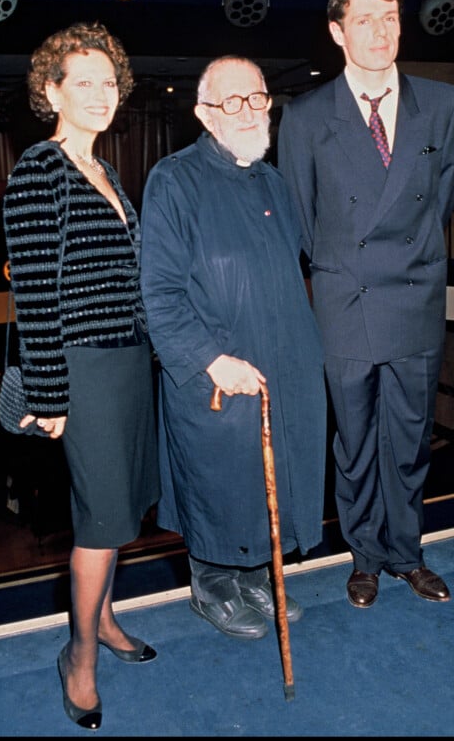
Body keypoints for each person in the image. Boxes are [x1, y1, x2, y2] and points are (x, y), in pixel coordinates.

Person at [277, 0, 454, 609]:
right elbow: (302, 220)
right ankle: (364, 557)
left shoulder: (440, 103)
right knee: (354, 443)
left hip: (415, 295)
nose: (380, 32)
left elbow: (439, 201)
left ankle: (407, 554)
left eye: (389, 18)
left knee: (410, 440)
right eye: (364, 19)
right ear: (337, 31)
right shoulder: (304, 117)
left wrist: (409, 259)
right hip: (345, 300)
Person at [2, 22, 160, 730]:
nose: (101, 94)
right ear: (51, 90)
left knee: (121, 510)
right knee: (98, 522)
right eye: (83, 82)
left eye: (109, 82)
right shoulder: (41, 168)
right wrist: (49, 393)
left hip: (127, 361)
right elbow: (35, 290)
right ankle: (81, 656)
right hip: (82, 371)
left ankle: (107, 618)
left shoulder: (107, 171)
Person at [139, 56, 327, 640]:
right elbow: (158, 293)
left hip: (282, 363)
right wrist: (212, 361)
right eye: (230, 102)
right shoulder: (174, 180)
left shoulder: (273, 179)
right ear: (204, 114)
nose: (247, 112)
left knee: (264, 481)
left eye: (257, 98)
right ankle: (213, 586)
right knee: (218, 481)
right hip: (215, 368)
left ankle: (254, 578)